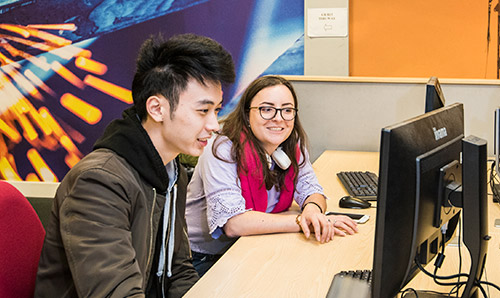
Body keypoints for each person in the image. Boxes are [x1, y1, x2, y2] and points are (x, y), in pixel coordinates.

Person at [35, 33, 235, 297]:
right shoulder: (98, 182)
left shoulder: (172, 173)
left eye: (217, 111)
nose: (213, 125)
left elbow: (179, 269)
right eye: (203, 111)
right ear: (157, 108)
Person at [185, 75, 358, 276]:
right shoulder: (222, 148)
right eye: (266, 109)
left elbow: (312, 190)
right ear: (247, 114)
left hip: (255, 243)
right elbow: (234, 223)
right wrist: (303, 221)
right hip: (205, 259)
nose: (279, 118)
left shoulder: (291, 143)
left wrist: (312, 210)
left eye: (287, 110)